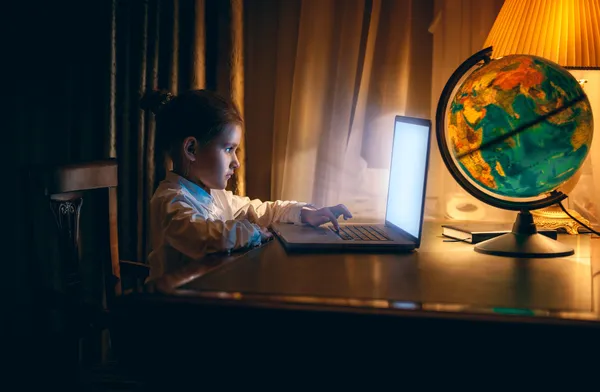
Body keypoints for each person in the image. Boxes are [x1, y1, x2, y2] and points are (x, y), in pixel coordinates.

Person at [142, 89, 352, 280]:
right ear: (191, 149)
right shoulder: (170, 200)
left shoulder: (215, 196)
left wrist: (304, 212)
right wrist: (253, 232)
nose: (237, 162)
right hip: (169, 310)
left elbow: (260, 210)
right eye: (228, 149)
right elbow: (202, 236)